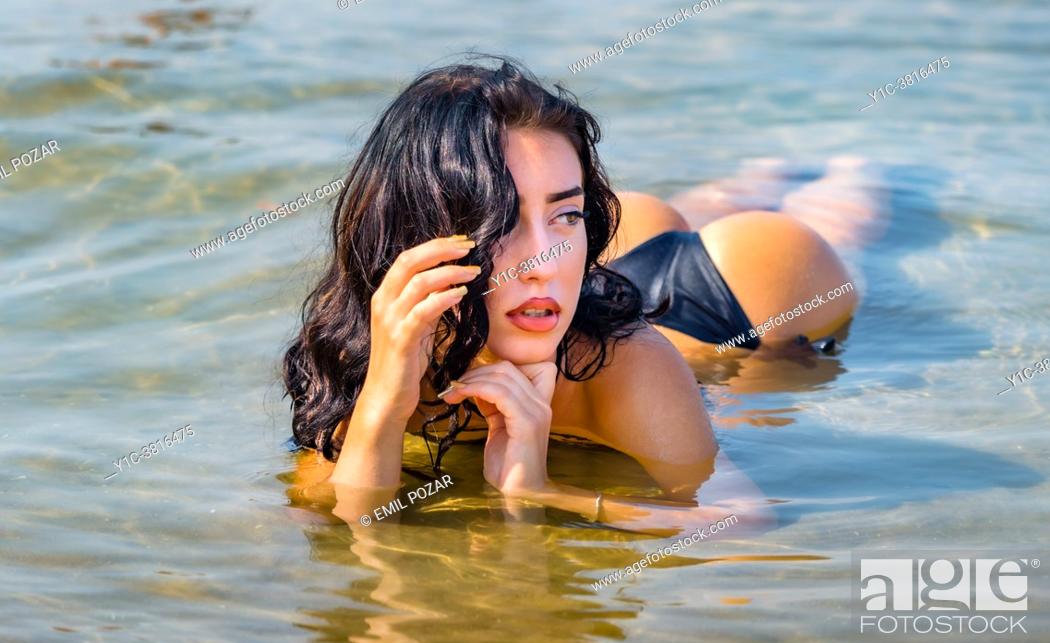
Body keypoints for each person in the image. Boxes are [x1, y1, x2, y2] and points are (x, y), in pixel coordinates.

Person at [283, 56, 886, 535]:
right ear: (420, 230)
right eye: (503, 220)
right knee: (728, 190)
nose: (543, 259)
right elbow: (348, 521)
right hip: (611, 271)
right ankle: (763, 168)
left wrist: (548, 494)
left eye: (569, 212)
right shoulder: (372, 343)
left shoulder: (630, 363)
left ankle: (848, 161)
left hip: (738, 295)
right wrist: (386, 394)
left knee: (846, 202)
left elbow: (739, 520)